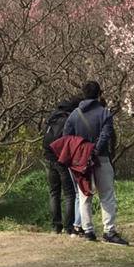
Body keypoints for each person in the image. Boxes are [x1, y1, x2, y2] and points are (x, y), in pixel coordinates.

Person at [62, 80, 128, 245]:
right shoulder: (105, 113)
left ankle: (88, 231)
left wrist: (81, 154)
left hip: (81, 162)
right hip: (102, 159)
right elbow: (106, 135)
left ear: (83, 95)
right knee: (107, 195)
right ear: (100, 94)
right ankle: (109, 231)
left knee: (84, 196)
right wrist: (95, 151)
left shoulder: (74, 115)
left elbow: (66, 138)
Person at [42, 95, 82, 235]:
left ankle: (55, 227)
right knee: (69, 194)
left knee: (54, 193)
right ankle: (69, 227)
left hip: (48, 157)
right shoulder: (70, 118)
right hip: (62, 159)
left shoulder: (53, 116)